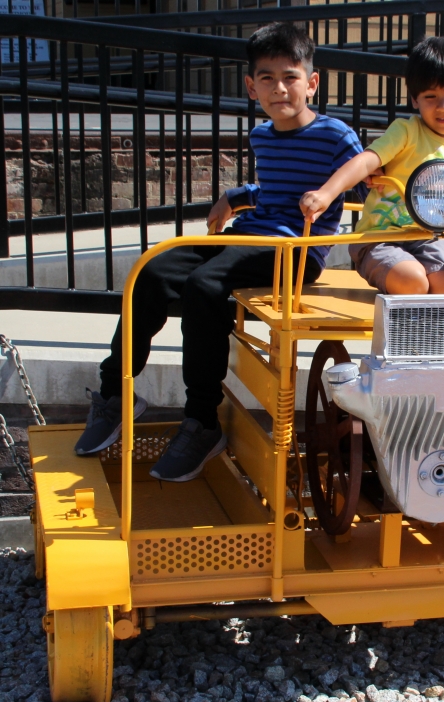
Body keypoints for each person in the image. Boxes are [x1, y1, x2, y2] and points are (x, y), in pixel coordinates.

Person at [74, 23, 365, 482]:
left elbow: (366, 177)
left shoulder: (336, 136)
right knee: (150, 272)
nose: (279, 88)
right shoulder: (263, 136)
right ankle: (116, 394)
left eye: (290, 76)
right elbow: (273, 189)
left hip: (294, 251)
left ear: (312, 83)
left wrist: (331, 195)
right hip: (250, 235)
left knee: (204, 285)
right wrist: (237, 194)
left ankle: (202, 421)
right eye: (266, 78)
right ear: (252, 88)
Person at [299, 36, 444, 295]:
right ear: (415, 99)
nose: (443, 106)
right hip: (380, 239)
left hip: (430, 240)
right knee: (413, 281)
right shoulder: (406, 131)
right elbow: (366, 161)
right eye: (430, 96)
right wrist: (327, 192)